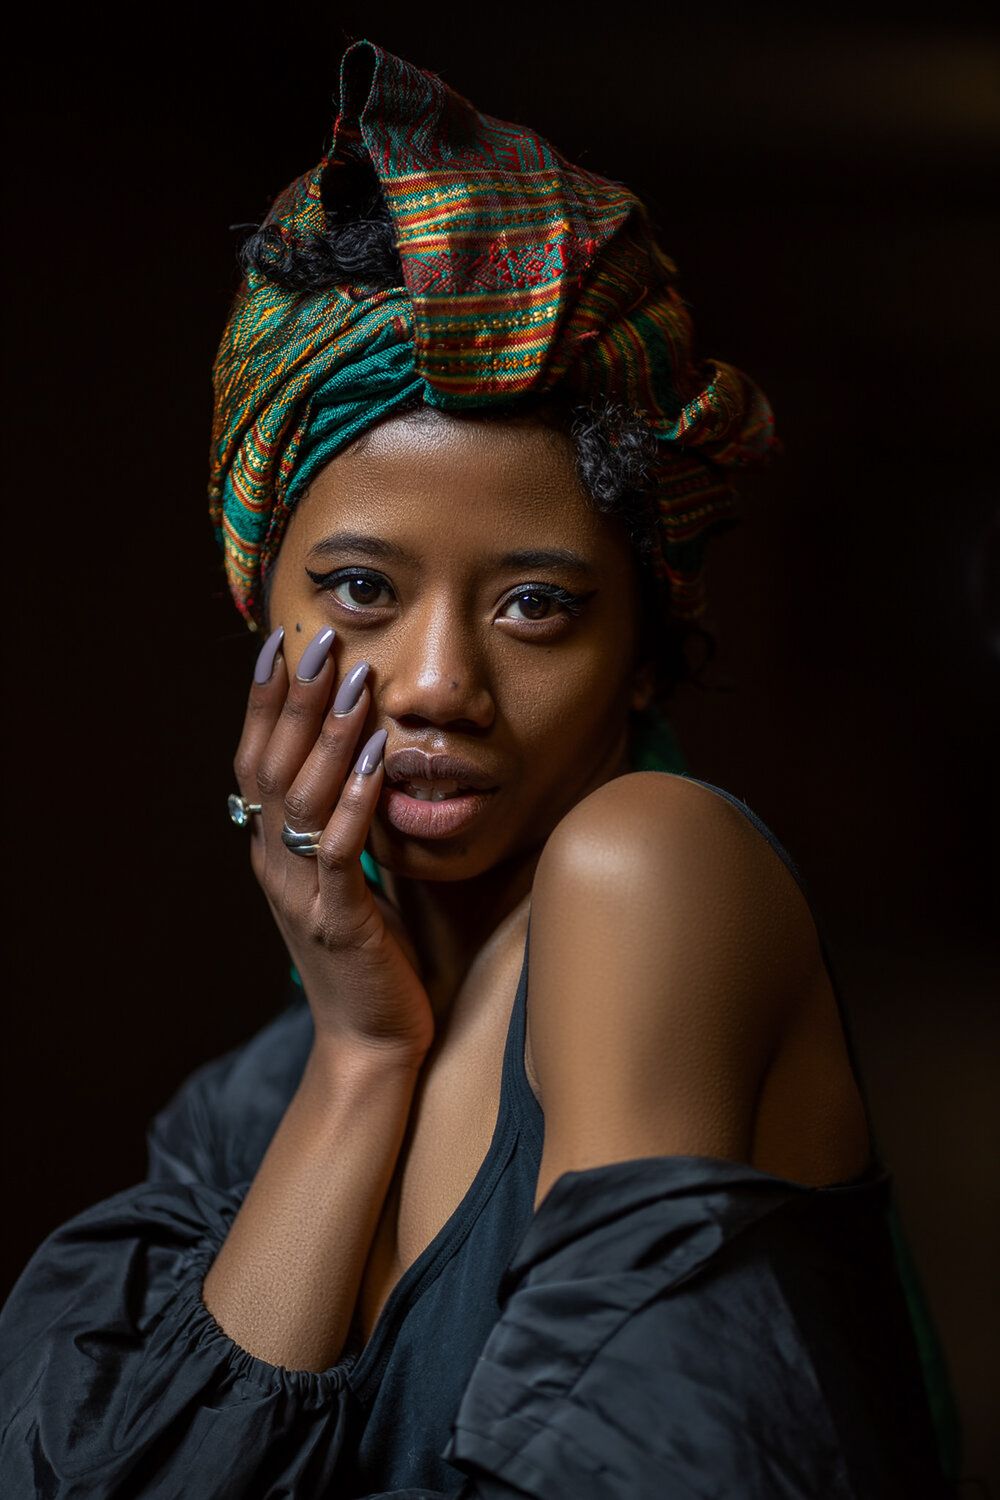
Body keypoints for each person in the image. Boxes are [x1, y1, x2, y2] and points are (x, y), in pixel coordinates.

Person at [0, 39, 949, 1499]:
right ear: (263, 614)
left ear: (644, 655)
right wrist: (362, 1057)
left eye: (536, 604)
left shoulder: (649, 874)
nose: (439, 684)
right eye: (361, 592)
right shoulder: (254, 1100)